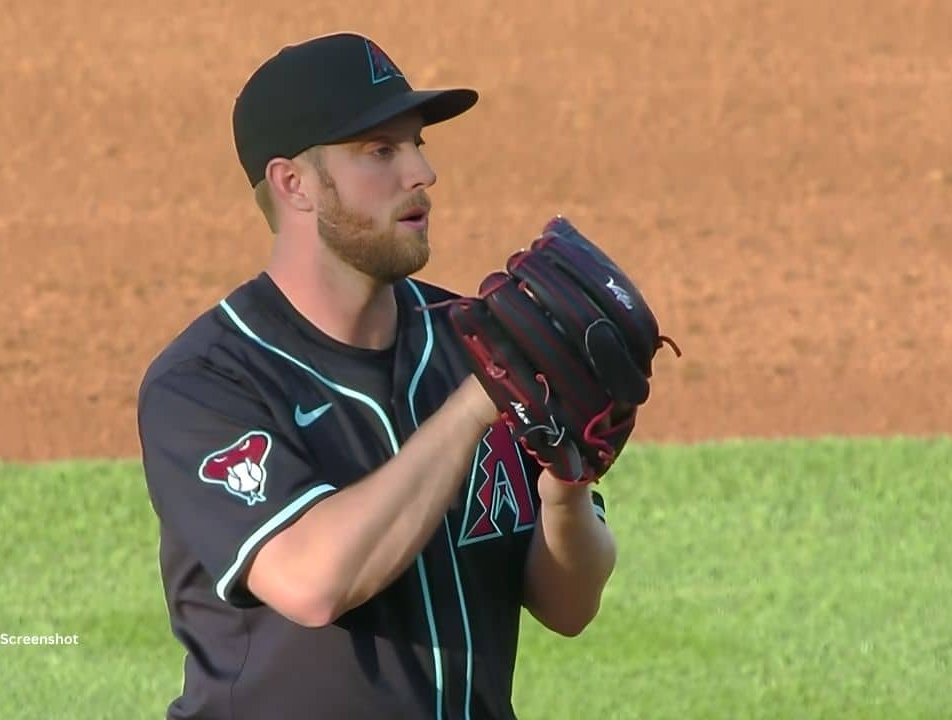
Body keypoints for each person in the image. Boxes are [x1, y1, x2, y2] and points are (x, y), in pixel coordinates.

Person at [137, 32, 616, 720]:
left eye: (417, 144)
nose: (422, 172)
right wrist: (476, 403)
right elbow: (312, 582)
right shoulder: (207, 382)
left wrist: (567, 490)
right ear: (293, 184)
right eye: (380, 151)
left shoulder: (475, 336)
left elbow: (568, 607)